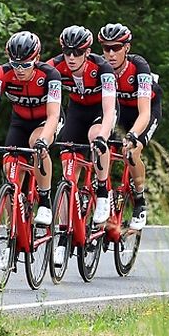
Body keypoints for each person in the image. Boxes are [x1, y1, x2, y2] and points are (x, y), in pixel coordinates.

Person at [0, 31, 63, 226]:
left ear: (37, 59)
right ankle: (11, 232)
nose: (19, 70)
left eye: (25, 65)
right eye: (15, 64)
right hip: (20, 122)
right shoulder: (2, 73)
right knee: (10, 171)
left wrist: (44, 141)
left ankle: (45, 200)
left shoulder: (50, 74)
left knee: (36, 144)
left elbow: (54, 115)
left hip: (46, 121)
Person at [49, 26, 118, 223]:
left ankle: (103, 191)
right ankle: (63, 234)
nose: (71, 57)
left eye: (77, 52)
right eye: (67, 52)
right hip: (76, 111)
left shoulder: (103, 69)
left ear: (87, 52)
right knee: (67, 175)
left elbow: (108, 110)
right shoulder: (55, 66)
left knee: (95, 135)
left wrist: (102, 138)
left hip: (101, 110)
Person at [98, 24, 160, 230]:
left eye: (116, 47)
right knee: (99, 146)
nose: (111, 53)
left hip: (145, 110)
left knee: (131, 151)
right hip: (120, 110)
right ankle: (102, 197)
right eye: (106, 48)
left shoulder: (139, 67)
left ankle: (140, 199)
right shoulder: (101, 68)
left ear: (127, 48)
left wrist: (133, 135)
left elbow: (144, 113)